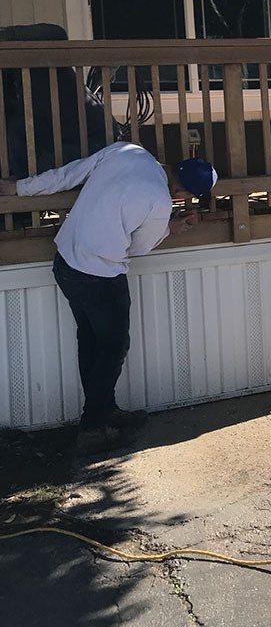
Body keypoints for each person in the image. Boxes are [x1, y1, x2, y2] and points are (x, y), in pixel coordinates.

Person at [0, 142, 217, 452]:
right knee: (114, 346)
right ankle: (93, 427)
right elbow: (138, 247)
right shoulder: (160, 202)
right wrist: (171, 229)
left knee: (90, 340)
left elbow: (69, 174)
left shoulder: (127, 151)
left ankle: (104, 411)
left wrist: (16, 188)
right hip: (100, 274)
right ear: (183, 195)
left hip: (65, 262)